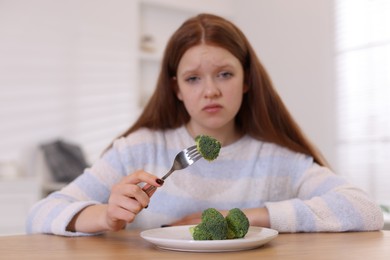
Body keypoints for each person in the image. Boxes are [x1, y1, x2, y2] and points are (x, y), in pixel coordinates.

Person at [26, 13, 384, 236]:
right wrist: (105, 216)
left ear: (246, 81)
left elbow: (364, 209)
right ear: (176, 89)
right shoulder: (140, 148)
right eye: (193, 79)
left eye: (225, 74)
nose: (210, 91)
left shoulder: (276, 159)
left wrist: (238, 216)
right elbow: (41, 213)